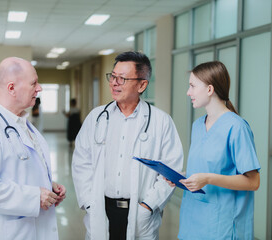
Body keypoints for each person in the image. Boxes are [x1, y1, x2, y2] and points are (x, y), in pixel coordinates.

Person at [72, 51, 183, 240]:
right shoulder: (97, 117)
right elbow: (81, 162)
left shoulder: (161, 121)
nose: (114, 83)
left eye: (122, 78)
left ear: (142, 85)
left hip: (140, 212)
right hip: (101, 208)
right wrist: (90, 203)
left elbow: (171, 169)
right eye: (113, 76)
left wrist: (148, 206)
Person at [0, 57, 66, 240]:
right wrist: (34, 197)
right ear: (11, 88)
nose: (39, 88)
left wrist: (48, 186)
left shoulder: (22, 124)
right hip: (2, 233)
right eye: (34, 83)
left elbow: (17, 171)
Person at [170, 61, 260, 239]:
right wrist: (182, 177)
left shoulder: (237, 127)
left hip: (221, 225)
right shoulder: (198, 126)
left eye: (192, 86)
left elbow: (253, 182)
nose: (189, 93)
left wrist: (208, 179)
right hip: (192, 221)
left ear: (210, 89)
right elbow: (206, 169)